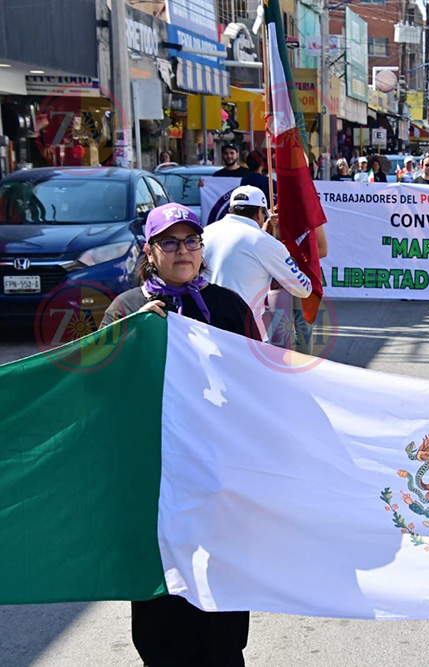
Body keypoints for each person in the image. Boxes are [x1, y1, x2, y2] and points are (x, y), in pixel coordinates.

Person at [99, 202, 256, 666]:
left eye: (191, 241)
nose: (182, 250)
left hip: (218, 480)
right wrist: (132, 335)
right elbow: (100, 387)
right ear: (151, 251)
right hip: (156, 482)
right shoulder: (128, 309)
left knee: (221, 616)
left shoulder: (228, 306)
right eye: (169, 242)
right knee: (161, 614)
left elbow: (261, 387)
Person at [202, 185, 313, 339]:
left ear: (231, 209)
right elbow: (303, 288)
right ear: (260, 213)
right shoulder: (265, 242)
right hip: (244, 331)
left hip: (203, 328)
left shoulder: (205, 233)